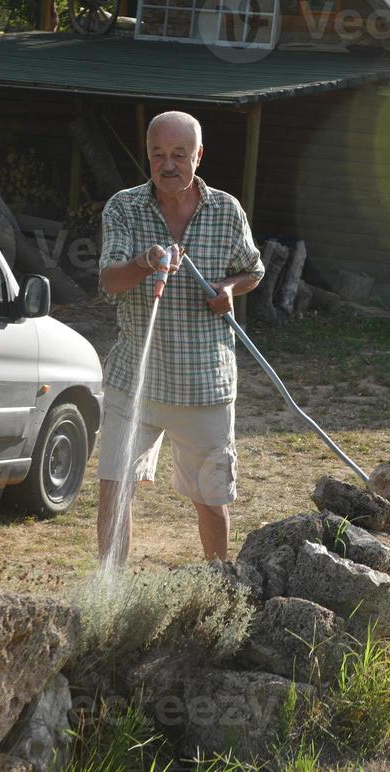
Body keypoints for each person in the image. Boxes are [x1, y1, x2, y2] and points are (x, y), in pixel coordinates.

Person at [95, 110, 264, 566]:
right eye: (158, 154)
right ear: (148, 155)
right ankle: (108, 595)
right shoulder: (124, 208)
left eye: (180, 155)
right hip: (137, 380)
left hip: (204, 383)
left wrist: (228, 289)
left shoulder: (226, 209)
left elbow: (253, 270)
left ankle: (216, 588)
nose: (168, 165)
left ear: (199, 156)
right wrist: (145, 263)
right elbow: (110, 282)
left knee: (211, 496)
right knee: (114, 489)